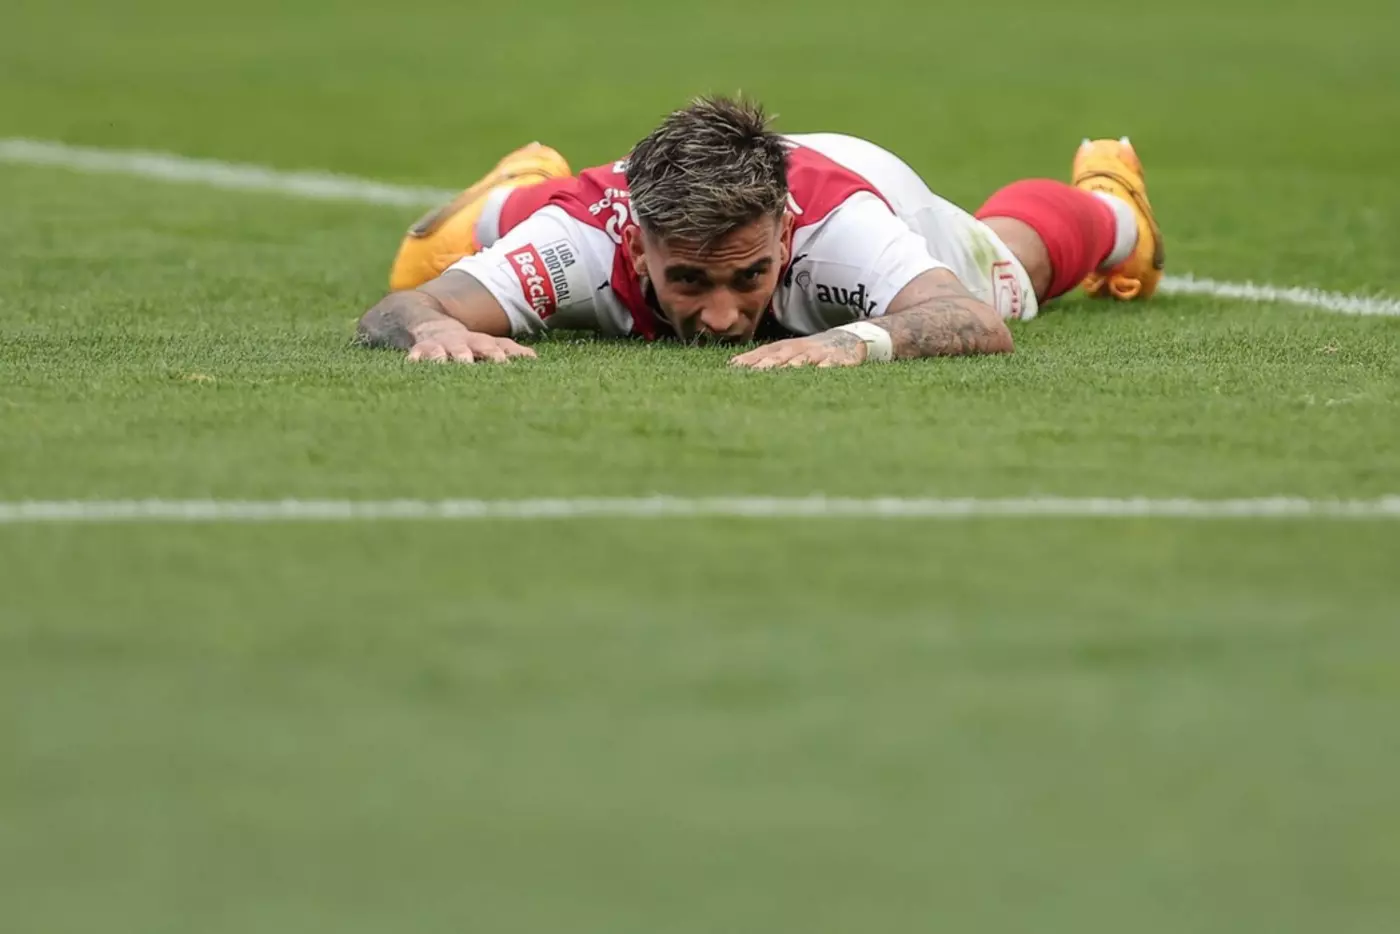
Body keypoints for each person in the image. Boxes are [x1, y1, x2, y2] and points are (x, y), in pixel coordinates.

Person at [356, 96, 1163, 369]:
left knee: (1010, 268)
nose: (720, 318)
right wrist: (434, 329)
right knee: (423, 265)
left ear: (784, 239)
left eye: (748, 277)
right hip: (619, 190)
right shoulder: (587, 237)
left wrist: (851, 341)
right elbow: (400, 308)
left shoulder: (847, 231)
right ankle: (512, 196)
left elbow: (973, 320)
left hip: (864, 177)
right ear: (636, 249)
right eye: (688, 280)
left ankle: (1113, 201)